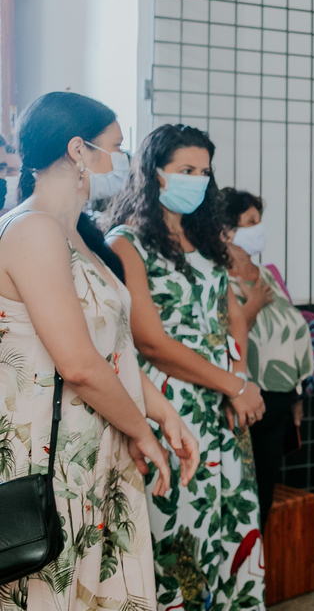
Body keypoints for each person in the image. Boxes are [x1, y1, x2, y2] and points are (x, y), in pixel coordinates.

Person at [0, 92, 198, 610]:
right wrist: (142, 432)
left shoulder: (82, 236)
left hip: (95, 449)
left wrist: (163, 410)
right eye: (115, 148)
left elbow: (113, 352)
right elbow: (79, 365)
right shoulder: (32, 230)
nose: (122, 163)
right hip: (52, 457)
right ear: (78, 150)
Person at [107, 124, 267, 611]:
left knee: (231, 523)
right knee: (182, 531)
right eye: (185, 170)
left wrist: (239, 379)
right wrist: (234, 384)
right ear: (154, 174)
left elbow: (232, 314)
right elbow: (150, 341)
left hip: (223, 404)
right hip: (171, 404)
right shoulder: (125, 243)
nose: (197, 179)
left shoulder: (205, 239)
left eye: (204, 171)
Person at [220, 188, 314, 523]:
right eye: (250, 222)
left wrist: (299, 394)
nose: (259, 228)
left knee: (264, 491)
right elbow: (226, 338)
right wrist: (254, 306)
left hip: (281, 398)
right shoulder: (218, 280)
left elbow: (294, 330)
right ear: (226, 231)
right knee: (241, 495)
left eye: (259, 221)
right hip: (244, 399)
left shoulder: (270, 274)